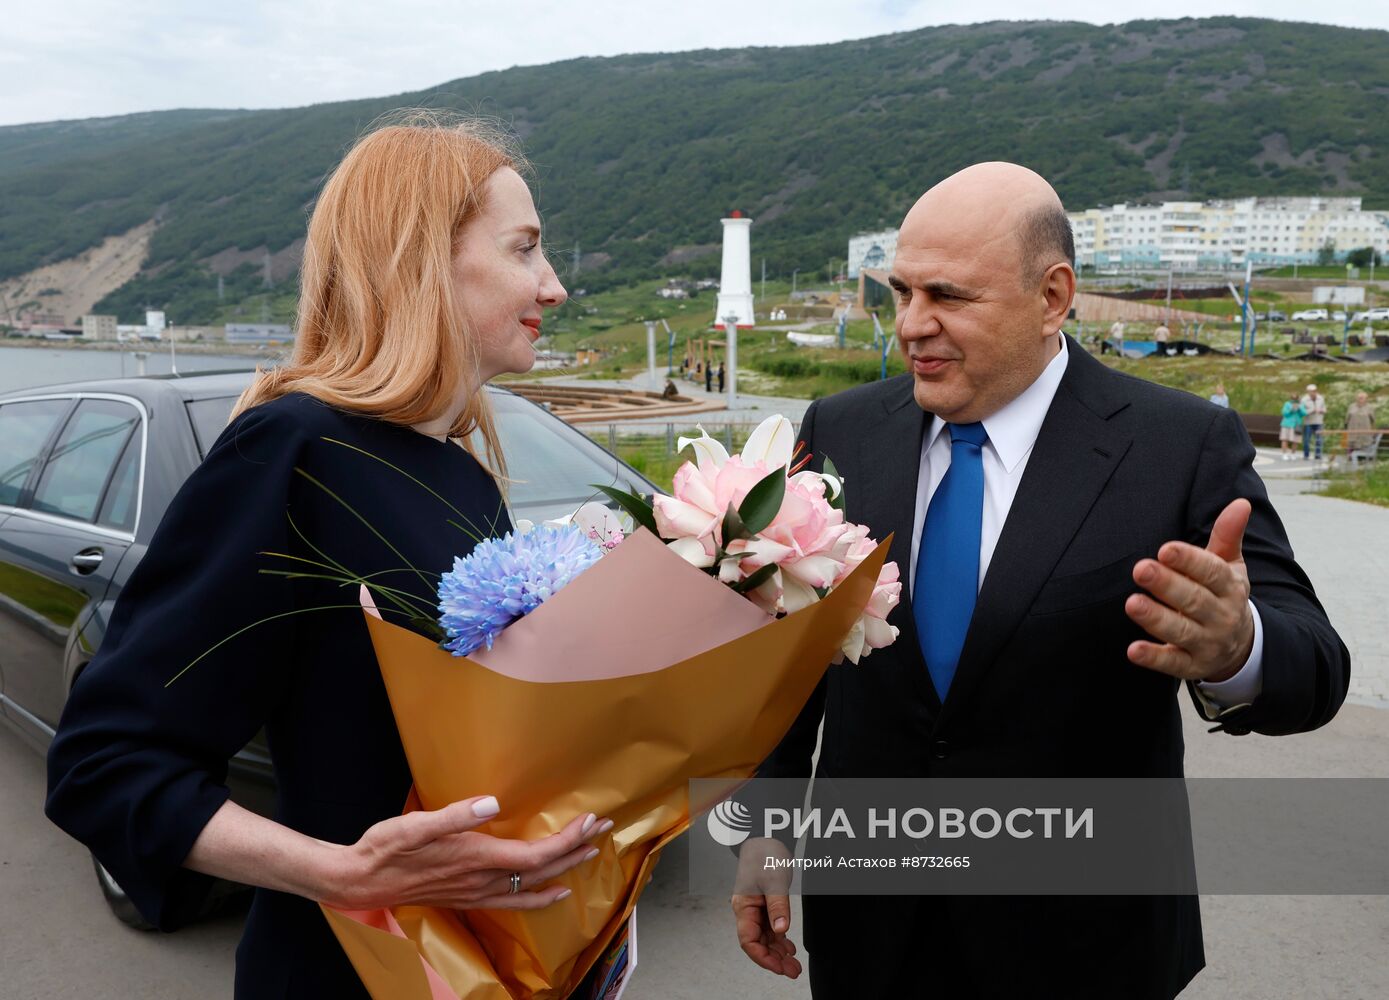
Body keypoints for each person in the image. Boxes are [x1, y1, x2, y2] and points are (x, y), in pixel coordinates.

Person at [730, 162, 1349, 999]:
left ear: (1052, 297)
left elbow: (1315, 667)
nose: (911, 324)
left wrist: (1238, 647)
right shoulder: (840, 430)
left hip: (1086, 940)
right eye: (900, 291)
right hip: (870, 926)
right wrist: (762, 826)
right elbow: (788, 653)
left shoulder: (1177, 445)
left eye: (946, 295)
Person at [45, 118, 612, 998]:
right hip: (346, 970)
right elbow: (105, 763)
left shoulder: (464, 477)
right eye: (526, 249)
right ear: (421, 259)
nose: (555, 285)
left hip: (486, 963)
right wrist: (340, 873)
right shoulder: (291, 450)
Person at [1301, 383, 1327, 460]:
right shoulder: (1304, 399)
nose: (1312, 392)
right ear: (1308, 391)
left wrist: (1322, 411)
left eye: (1314, 391)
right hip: (1308, 422)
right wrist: (1311, 411)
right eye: (1311, 391)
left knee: (1319, 440)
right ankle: (1306, 455)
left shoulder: (1321, 398)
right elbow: (1302, 412)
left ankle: (1318, 455)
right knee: (1306, 439)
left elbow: (1324, 408)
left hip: (1319, 421)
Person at [1280, 393, 1304, 461]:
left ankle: (1293, 454)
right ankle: (1284, 454)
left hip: (1296, 424)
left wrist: (1299, 409)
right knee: (1285, 439)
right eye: (1293, 399)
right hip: (1287, 424)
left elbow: (1304, 413)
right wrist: (1291, 409)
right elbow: (1284, 413)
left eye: (1295, 399)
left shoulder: (1301, 405)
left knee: (1295, 440)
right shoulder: (1287, 404)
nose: (1294, 400)